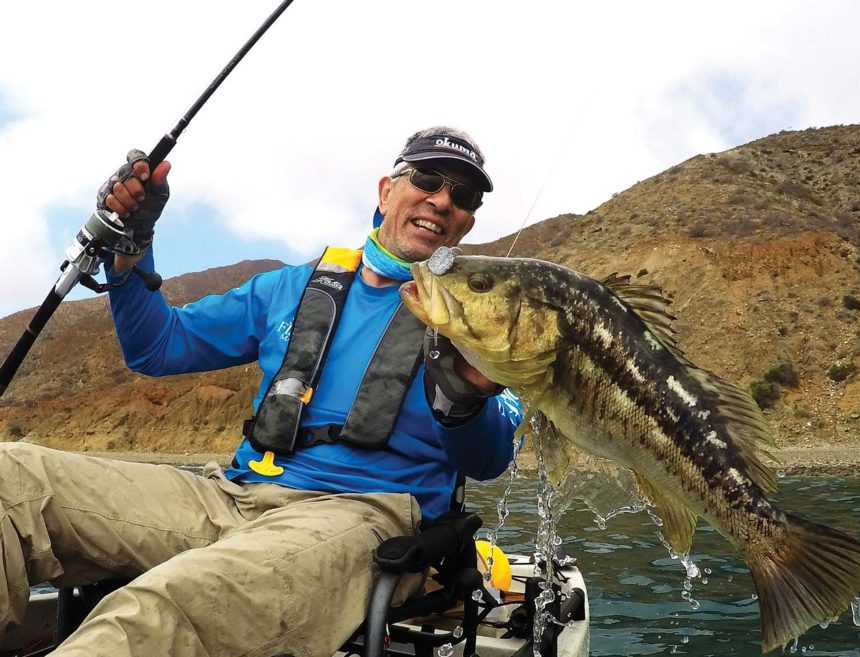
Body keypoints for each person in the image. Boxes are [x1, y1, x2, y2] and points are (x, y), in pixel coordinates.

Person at [0, 127, 519, 656]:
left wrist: (467, 398)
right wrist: (132, 251)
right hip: (232, 497)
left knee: (168, 604)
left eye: (464, 196)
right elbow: (158, 346)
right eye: (428, 179)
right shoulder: (291, 287)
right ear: (386, 191)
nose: (442, 200)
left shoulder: (488, 318)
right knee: (9, 476)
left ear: (469, 222)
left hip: (364, 519)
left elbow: (490, 456)